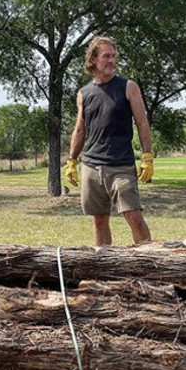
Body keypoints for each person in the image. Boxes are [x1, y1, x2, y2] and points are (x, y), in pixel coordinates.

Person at [65, 36, 153, 246]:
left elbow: (142, 123)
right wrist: (71, 160)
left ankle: (150, 262)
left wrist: (147, 156)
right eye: (106, 56)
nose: (112, 61)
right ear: (93, 59)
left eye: (113, 56)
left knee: (133, 216)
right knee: (99, 220)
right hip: (91, 166)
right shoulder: (84, 94)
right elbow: (79, 129)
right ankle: (103, 266)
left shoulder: (128, 87)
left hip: (121, 165)